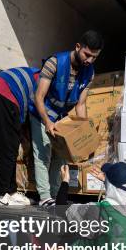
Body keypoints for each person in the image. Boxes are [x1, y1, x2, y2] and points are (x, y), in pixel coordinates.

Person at [31, 30, 103, 206]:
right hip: (43, 114)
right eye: (87, 55)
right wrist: (47, 122)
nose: (89, 60)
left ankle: (56, 195)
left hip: (62, 116)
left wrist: (85, 132)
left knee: (61, 156)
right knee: (43, 155)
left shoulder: (89, 72)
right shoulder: (54, 63)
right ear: (78, 47)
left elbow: (80, 104)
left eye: (94, 57)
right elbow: (38, 97)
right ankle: (45, 197)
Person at [0, 64, 38, 206]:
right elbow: (37, 108)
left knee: (6, 147)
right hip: (1, 97)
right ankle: (1, 194)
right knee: (9, 149)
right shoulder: (44, 79)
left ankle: (10, 191)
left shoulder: (33, 73)